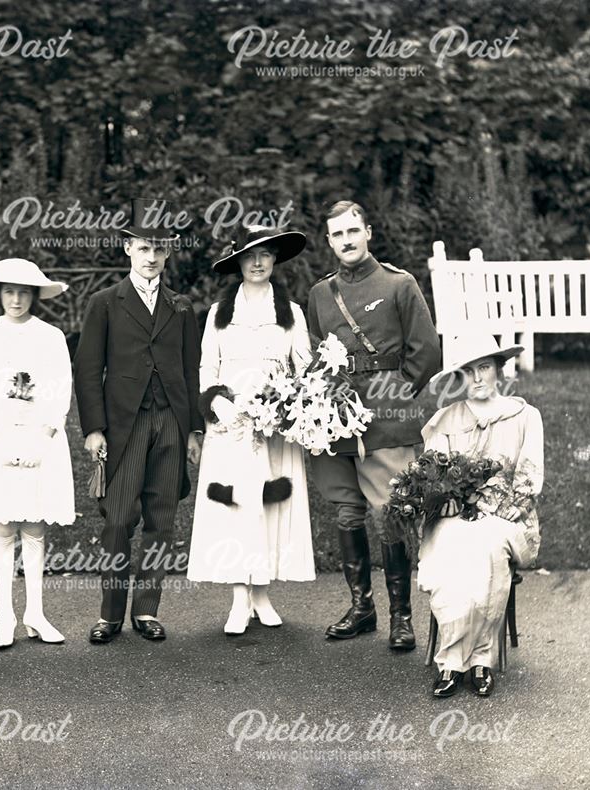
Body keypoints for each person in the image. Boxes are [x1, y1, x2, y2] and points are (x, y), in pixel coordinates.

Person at [307, 200, 441, 651]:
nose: (346, 240)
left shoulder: (399, 284)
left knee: (392, 515)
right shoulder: (320, 295)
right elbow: (316, 355)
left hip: (387, 419)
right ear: (328, 241)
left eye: (353, 231)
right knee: (347, 511)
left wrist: (392, 394)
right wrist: (325, 401)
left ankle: (400, 618)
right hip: (334, 418)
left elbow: (425, 352)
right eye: (337, 234)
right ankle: (362, 608)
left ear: (368, 232)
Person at [74, 197, 203, 644]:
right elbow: (88, 369)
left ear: (168, 254)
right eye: (144, 248)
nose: (152, 257)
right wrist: (93, 428)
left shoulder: (182, 306)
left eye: (160, 249)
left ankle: (146, 611)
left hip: (169, 420)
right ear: (128, 249)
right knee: (117, 519)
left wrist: (194, 429)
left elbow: (191, 370)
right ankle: (110, 614)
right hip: (124, 425)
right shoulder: (106, 303)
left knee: (161, 519)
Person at [187, 225, 316, 634]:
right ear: (238, 262)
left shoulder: (290, 312)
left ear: (275, 259)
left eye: (265, 254)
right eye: (249, 255)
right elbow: (207, 367)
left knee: (270, 505)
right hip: (231, 428)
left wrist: (286, 407)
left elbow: (305, 368)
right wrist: (219, 405)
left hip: (273, 428)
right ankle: (239, 598)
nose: (257, 262)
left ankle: (262, 592)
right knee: (236, 506)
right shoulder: (218, 314)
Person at [417, 334, 543, 698]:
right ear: (458, 378)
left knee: (485, 547)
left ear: (499, 370)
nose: (477, 378)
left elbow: (528, 481)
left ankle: (480, 660)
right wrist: (448, 501)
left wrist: (492, 509)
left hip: (507, 519)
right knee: (452, 545)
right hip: (454, 517)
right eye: (467, 371)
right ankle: (453, 662)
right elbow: (431, 477)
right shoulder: (445, 420)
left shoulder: (525, 416)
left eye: (484, 367)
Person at [0, 259, 75, 649]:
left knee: (35, 528)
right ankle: (6, 615)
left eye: (24, 292)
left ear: (35, 295)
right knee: (4, 525)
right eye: (9, 291)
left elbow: (60, 391)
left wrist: (42, 441)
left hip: (40, 440)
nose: (16, 299)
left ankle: (36, 613)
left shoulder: (51, 336)